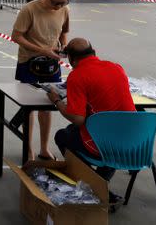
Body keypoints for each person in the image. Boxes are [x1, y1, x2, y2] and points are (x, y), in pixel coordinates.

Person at [47, 38, 136, 207]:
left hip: (105, 144)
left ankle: (92, 185)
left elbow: (79, 119)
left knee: (63, 136)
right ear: (93, 52)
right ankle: (101, 183)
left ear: (72, 60)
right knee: (73, 131)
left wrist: (57, 101)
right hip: (131, 143)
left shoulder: (78, 75)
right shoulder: (116, 67)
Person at [11, 0, 71, 162]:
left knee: (47, 106)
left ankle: (44, 148)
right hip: (29, 62)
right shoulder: (29, 9)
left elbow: (63, 32)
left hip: (51, 64)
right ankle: (28, 148)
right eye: (55, 2)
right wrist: (41, 50)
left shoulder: (64, 10)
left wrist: (64, 45)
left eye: (64, 2)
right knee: (28, 108)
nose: (59, 6)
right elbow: (16, 36)